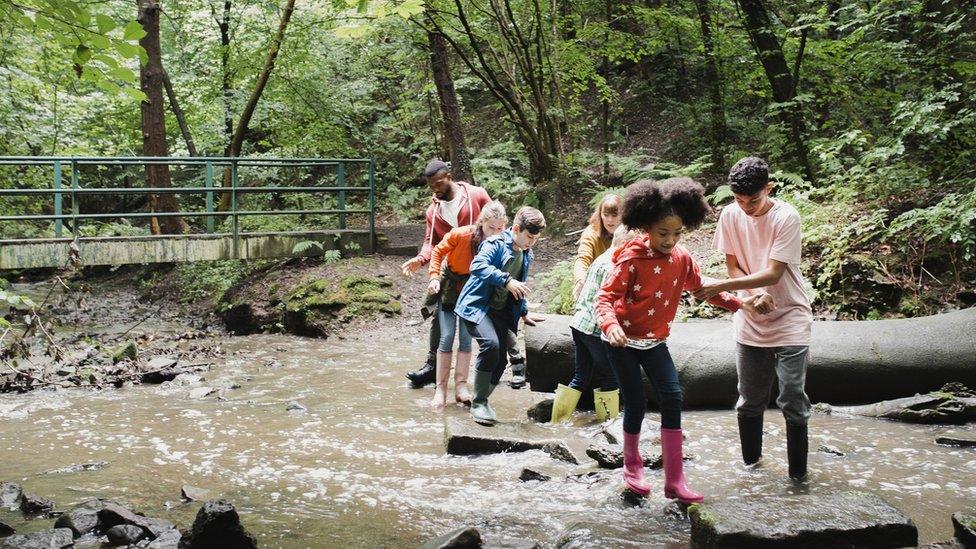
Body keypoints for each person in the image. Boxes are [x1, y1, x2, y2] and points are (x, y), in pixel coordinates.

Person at [596, 177, 768, 503]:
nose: (670, 240)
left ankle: (675, 480)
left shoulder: (681, 258)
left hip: (655, 342)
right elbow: (605, 298)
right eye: (663, 233)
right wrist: (610, 326)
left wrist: (741, 303)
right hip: (623, 344)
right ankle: (633, 470)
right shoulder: (630, 259)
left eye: (677, 233)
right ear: (646, 226)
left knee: (673, 397)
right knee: (634, 404)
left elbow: (702, 288)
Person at [692, 156, 813, 481]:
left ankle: (798, 479)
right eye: (738, 199)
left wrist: (723, 286)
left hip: (791, 317)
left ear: (769, 188)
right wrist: (749, 298)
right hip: (750, 316)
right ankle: (752, 471)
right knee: (749, 400)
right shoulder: (731, 214)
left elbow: (774, 272)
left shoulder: (786, 216)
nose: (745, 206)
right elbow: (734, 265)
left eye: (753, 200)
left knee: (791, 397)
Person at [402, 160, 491, 389]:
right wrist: (421, 259)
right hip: (450, 270)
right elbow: (431, 242)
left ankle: (500, 364)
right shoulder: (433, 210)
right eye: (431, 186)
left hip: (480, 268)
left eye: (439, 183)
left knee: (488, 314)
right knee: (439, 314)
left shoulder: (476, 196)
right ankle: (432, 367)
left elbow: (496, 223)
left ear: (449, 176)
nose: (435, 189)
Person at [455, 207, 548, 425]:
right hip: (476, 307)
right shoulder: (494, 244)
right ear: (516, 228)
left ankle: (481, 401)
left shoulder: (526, 252)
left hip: (501, 311)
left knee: (499, 361)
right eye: (529, 237)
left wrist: (524, 311)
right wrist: (505, 280)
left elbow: (519, 284)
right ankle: (478, 403)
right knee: (491, 345)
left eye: (536, 239)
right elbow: (477, 266)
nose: (532, 242)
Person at [426, 201, 508, 409]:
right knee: (446, 337)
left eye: (500, 229)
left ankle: (461, 386)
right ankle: (441, 389)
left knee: (465, 338)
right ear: (481, 223)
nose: (495, 233)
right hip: (451, 287)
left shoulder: (502, 244)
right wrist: (434, 277)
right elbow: (437, 252)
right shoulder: (461, 234)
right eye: (491, 228)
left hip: (474, 295)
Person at [550, 225, 635, 423]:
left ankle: (558, 421)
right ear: (624, 245)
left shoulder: (603, 258)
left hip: (579, 324)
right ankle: (609, 425)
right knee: (611, 376)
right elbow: (607, 301)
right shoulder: (613, 266)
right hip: (595, 329)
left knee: (581, 376)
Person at [572, 193, 623, 300]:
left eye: (614, 215)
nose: (610, 220)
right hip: (598, 286)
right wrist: (580, 279)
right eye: (606, 215)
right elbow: (582, 259)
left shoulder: (630, 233)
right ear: (600, 215)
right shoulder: (591, 233)